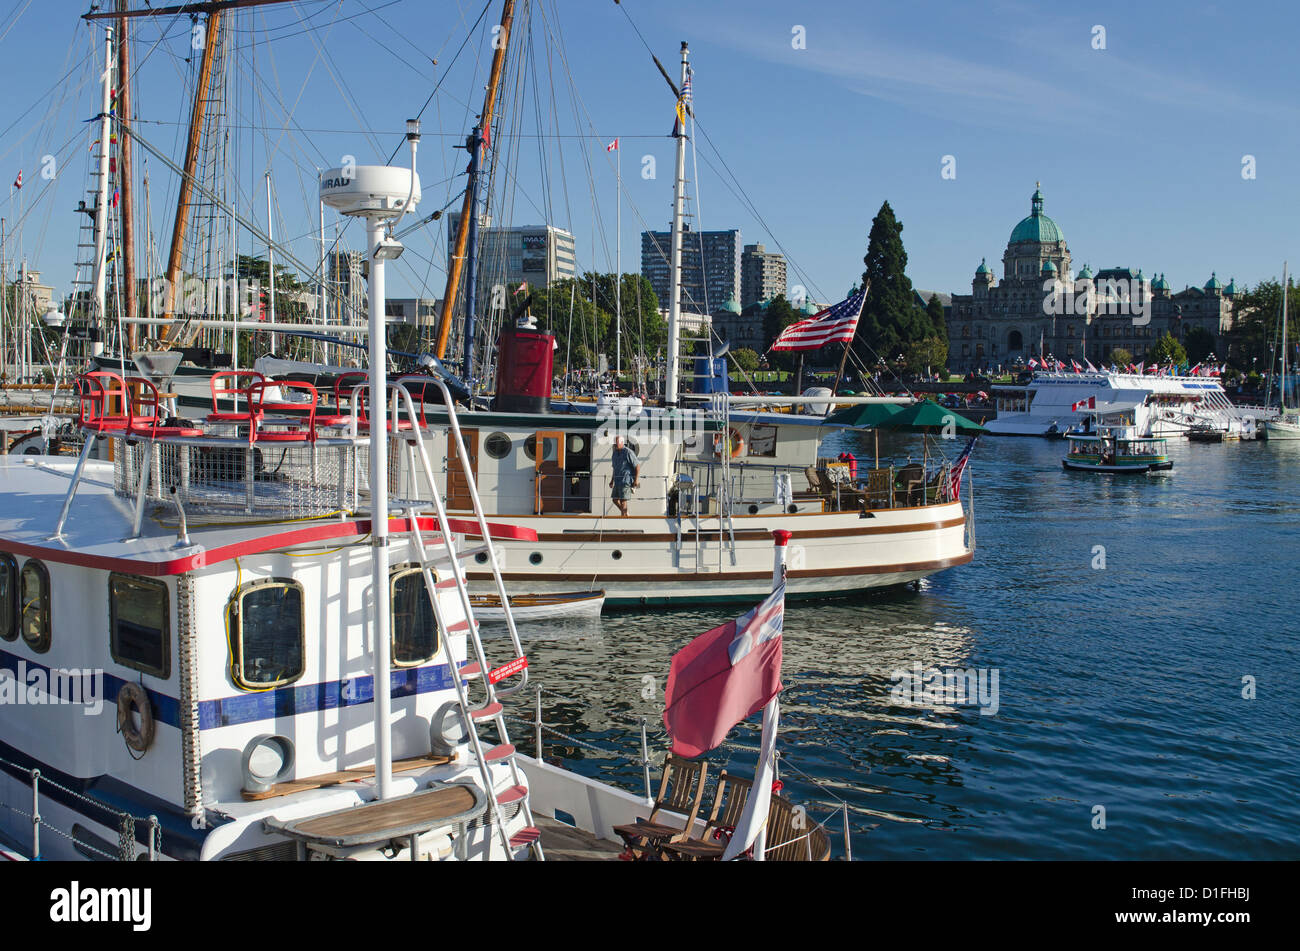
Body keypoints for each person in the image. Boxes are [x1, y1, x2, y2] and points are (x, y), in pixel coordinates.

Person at [609, 435, 640, 516]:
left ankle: (624, 520)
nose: (615, 444)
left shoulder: (628, 452)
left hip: (626, 480)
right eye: (615, 442)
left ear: (622, 443)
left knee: (623, 501)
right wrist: (612, 481)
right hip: (617, 481)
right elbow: (614, 468)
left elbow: (637, 466)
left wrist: (636, 480)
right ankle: (626, 514)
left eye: (617, 442)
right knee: (615, 500)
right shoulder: (615, 453)